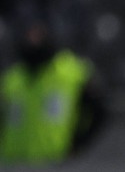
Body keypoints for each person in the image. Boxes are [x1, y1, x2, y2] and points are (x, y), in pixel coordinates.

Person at [1, 18, 107, 164]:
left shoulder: (74, 73)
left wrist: (77, 145)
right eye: (29, 36)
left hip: (54, 162)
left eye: (38, 35)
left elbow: (99, 112)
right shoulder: (11, 78)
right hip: (12, 162)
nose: (33, 41)